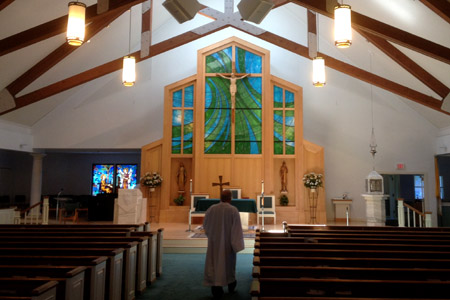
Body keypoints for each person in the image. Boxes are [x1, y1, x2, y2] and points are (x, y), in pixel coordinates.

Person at [203, 189, 244, 299]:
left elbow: (205, 225)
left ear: (220, 197)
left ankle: (216, 287)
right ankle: (231, 284)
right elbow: (237, 229)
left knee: (214, 263)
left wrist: (212, 237)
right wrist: (236, 244)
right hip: (227, 244)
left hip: (214, 243)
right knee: (228, 264)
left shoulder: (211, 209)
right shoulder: (233, 210)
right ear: (230, 198)